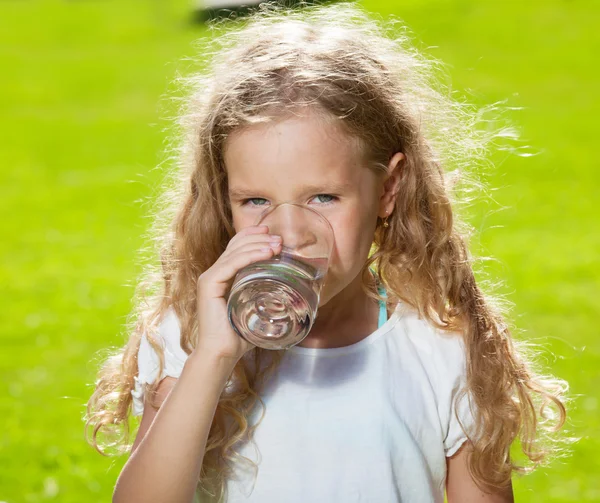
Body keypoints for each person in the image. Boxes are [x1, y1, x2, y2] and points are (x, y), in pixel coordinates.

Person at [85, 3, 568, 502]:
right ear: (223, 199)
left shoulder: (440, 349)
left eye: (323, 198)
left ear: (387, 189)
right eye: (256, 201)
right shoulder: (191, 336)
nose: (291, 233)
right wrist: (214, 357)